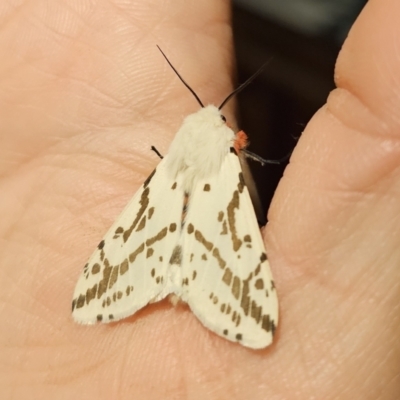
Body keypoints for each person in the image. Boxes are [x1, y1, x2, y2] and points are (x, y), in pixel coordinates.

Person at [0, 0, 398, 398]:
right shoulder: (228, 150)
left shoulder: (179, 150)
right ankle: (201, 285)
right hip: (220, 210)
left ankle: (141, 280)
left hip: (162, 192)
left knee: (145, 217)